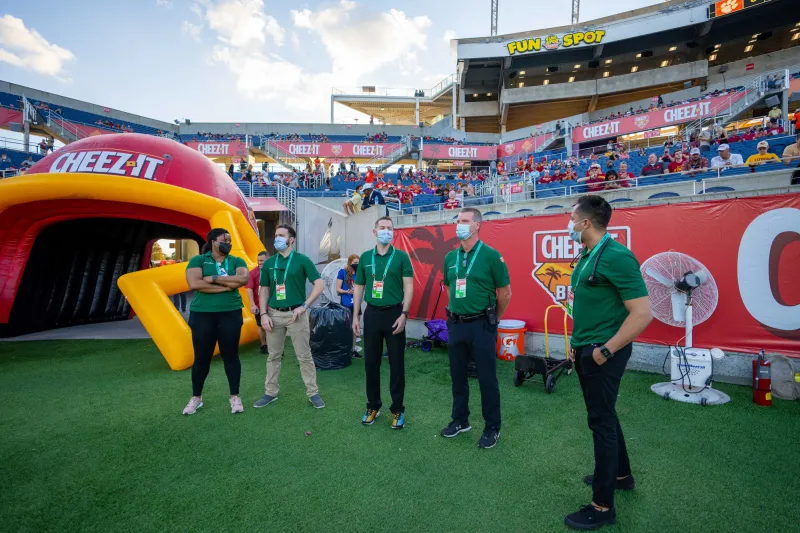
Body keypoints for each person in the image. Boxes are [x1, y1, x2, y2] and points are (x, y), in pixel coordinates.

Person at [563, 195, 653, 530]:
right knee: (605, 415)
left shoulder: (616, 256)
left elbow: (642, 313)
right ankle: (621, 476)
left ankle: (602, 507)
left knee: (600, 423)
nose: (568, 223)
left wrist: (606, 350)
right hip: (587, 348)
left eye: (571, 217)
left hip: (603, 354)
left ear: (585, 222)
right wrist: (577, 344)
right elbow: (588, 305)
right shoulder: (588, 253)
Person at [441, 208, 511, 449]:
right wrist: (457, 308)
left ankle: (492, 427)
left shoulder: (491, 256)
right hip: (456, 324)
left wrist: (493, 320)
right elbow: (449, 287)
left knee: (487, 379)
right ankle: (460, 421)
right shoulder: (450, 257)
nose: (459, 224)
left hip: (482, 324)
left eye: (465, 220)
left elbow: (505, 293)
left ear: (477, 225)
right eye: (458, 220)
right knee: (457, 376)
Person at [255, 224, 326, 409]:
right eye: (276, 235)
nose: (277, 238)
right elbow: (264, 289)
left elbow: (319, 284)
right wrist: (263, 314)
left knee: (304, 356)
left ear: (291, 239)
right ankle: (270, 392)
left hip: (296, 314)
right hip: (273, 314)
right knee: (273, 356)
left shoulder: (302, 260)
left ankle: (313, 393)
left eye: (281, 235)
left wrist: (304, 306)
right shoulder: (269, 263)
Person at [352, 217, 414, 428]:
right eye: (382, 228)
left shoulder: (401, 257)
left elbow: (409, 287)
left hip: (395, 314)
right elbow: (359, 287)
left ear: (393, 232)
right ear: (374, 232)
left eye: (389, 228)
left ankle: (397, 409)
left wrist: (404, 314)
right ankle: (373, 406)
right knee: (371, 363)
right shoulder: (365, 257)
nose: (386, 231)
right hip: (371, 314)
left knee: (397, 364)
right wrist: (356, 315)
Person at [182, 228, 250, 416]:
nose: (228, 243)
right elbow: (195, 284)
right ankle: (196, 397)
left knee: (231, 356)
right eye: (224, 240)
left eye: (229, 240)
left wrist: (213, 279)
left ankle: (234, 396)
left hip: (231, 313)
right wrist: (226, 287)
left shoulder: (236, 261)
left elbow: (243, 279)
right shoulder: (198, 260)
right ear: (213, 242)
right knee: (201, 358)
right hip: (202, 314)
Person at [337, 254, 362, 359]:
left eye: (358, 263)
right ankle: (344, 350)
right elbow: (338, 289)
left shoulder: (360, 273)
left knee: (355, 328)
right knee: (345, 328)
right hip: (345, 304)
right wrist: (347, 291)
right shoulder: (342, 272)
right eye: (355, 263)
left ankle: (352, 350)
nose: (357, 265)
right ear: (350, 263)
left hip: (356, 304)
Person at [246, 251, 269, 354]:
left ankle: (273, 345)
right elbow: (249, 289)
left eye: (262, 261)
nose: (260, 263)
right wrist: (252, 304)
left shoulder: (273, 271)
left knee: (274, 326)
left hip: (273, 305)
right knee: (261, 326)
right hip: (259, 305)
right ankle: (263, 345)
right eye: (258, 261)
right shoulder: (252, 273)